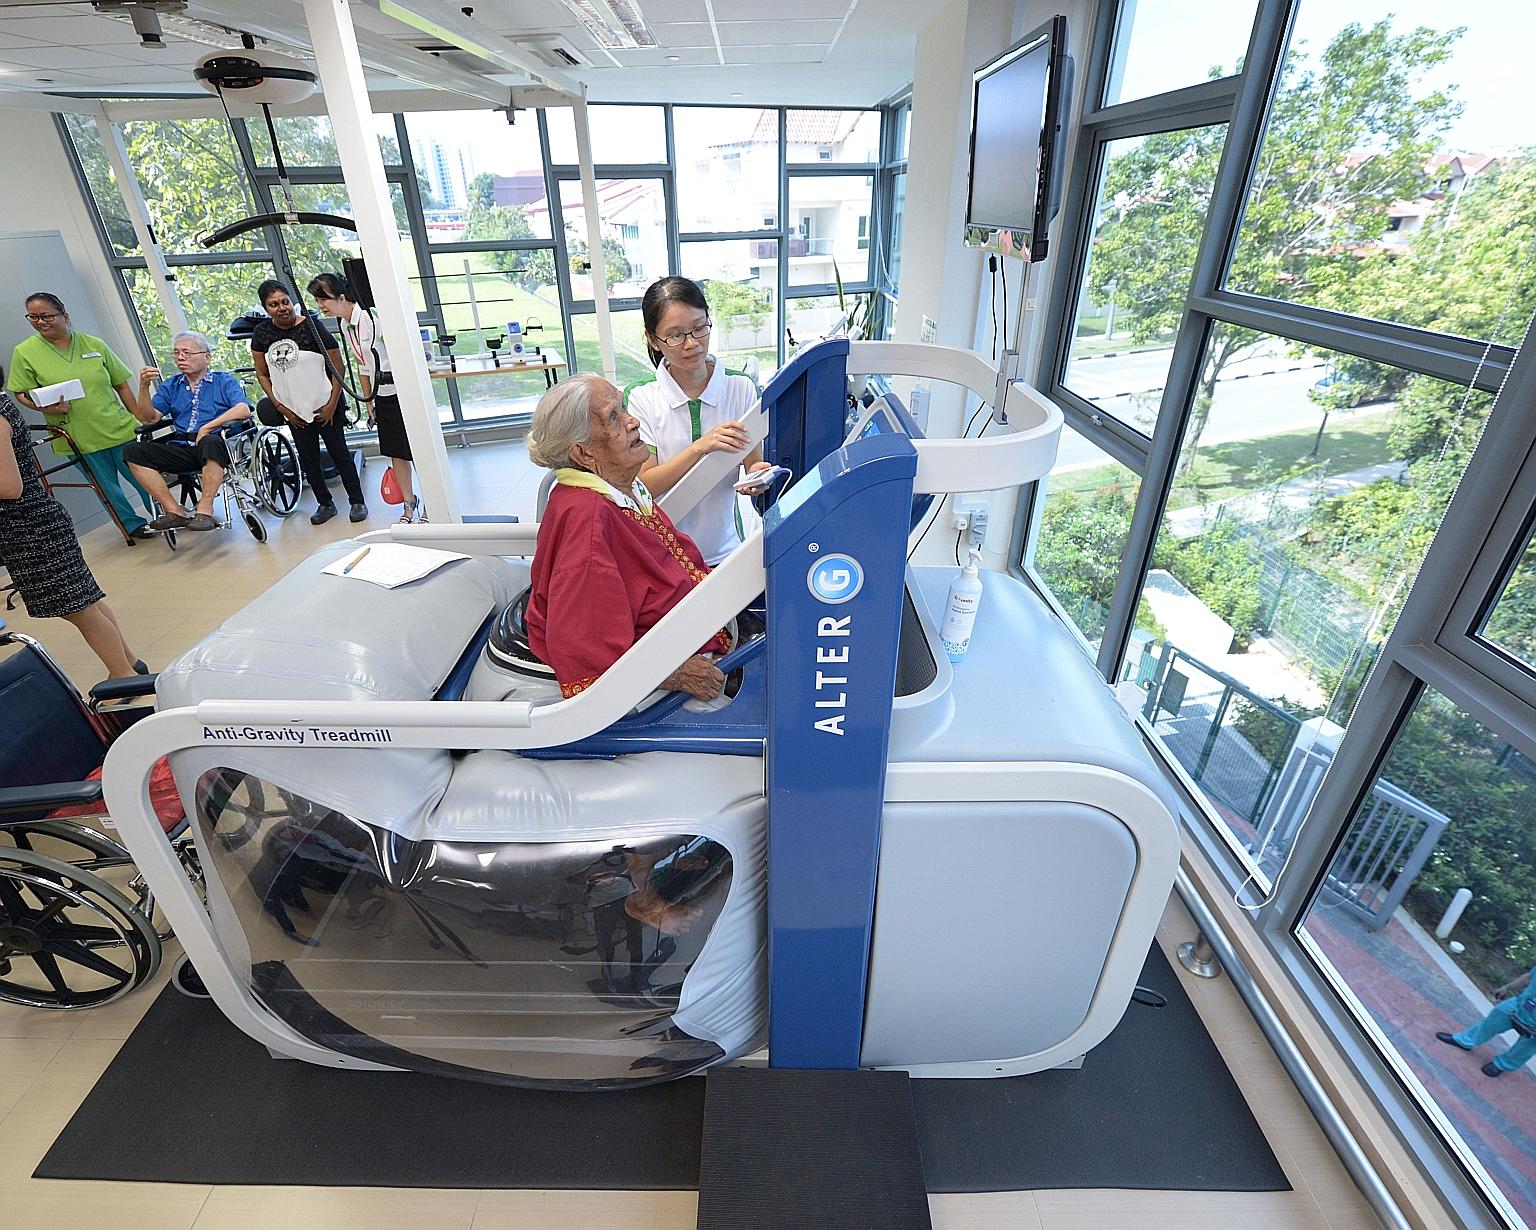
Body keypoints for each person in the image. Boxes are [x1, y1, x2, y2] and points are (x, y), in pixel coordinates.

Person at [524, 372, 730, 701]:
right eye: (614, 417)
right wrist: (674, 674)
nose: (633, 422)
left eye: (624, 408)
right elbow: (583, 649)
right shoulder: (588, 521)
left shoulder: (623, 488)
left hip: (698, 623)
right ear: (584, 454)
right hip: (671, 654)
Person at [625, 276, 772, 566]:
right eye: (675, 335)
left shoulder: (740, 387)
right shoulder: (641, 397)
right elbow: (645, 485)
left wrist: (758, 475)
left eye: (699, 328)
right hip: (666, 553)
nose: (691, 344)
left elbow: (751, 461)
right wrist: (700, 447)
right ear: (652, 338)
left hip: (728, 547)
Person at [0, 387, 144, 678]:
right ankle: (129, 662)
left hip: (27, 528)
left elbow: (9, 487)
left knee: (78, 609)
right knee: (86, 601)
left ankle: (122, 675)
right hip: (32, 522)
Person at [6, 292, 157, 540]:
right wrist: (47, 409)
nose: (40, 322)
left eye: (46, 316)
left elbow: (121, 384)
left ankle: (162, 514)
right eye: (33, 317)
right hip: (76, 434)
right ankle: (132, 526)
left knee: (144, 478)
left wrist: (139, 417)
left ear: (65, 316)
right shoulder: (25, 352)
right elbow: (20, 393)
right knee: (107, 487)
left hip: (117, 427)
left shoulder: (93, 344)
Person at [307, 272, 424, 526]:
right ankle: (408, 504)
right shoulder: (344, 324)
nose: (320, 306)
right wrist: (368, 401)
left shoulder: (372, 318)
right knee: (396, 453)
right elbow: (362, 365)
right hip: (381, 394)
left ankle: (431, 506)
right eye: (317, 301)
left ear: (341, 297)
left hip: (403, 391)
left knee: (417, 451)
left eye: (323, 300)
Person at [249, 279, 366, 527]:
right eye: (274, 304)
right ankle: (325, 504)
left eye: (285, 301)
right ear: (265, 308)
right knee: (309, 458)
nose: (282, 308)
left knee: (340, 454)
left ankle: (357, 501)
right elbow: (262, 373)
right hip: (293, 410)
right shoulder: (261, 334)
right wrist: (281, 407)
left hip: (325, 405)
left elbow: (338, 366)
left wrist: (333, 403)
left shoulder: (312, 326)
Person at [123, 331, 253, 531]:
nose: (180, 357)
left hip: (217, 446)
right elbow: (149, 418)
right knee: (133, 450)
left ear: (206, 357)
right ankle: (174, 511)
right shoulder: (171, 386)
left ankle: (205, 509)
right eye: (176, 353)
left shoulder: (222, 381)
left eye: (186, 352)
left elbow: (243, 410)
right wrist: (143, 386)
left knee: (210, 440)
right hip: (184, 447)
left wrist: (208, 427)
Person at [1437, 965, 1536, 1077]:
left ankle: (1501, 1065)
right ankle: (1465, 1040)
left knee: (1525, 1048)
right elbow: (1528, 977)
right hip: (1519, 1006)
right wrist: (1506, 988)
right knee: (1493, 1020)